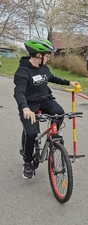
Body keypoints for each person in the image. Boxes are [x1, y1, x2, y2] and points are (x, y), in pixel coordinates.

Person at [14, 38, 80, 179]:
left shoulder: (44, 68)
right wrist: (25, 108)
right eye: (47, 55)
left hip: (45, 100)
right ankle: (27, 161)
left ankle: (54, 135)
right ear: (39, 55)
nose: (49, 58)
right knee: (31, 134)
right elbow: (19, 92)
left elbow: (52, 77)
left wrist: (69, 82)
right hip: (29, 105)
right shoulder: (23, 72)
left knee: (60, 113)